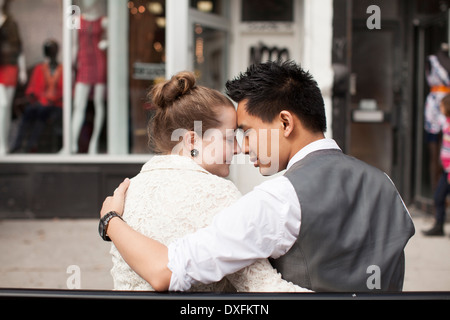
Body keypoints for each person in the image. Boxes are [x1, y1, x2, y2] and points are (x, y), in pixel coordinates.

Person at [100, 61, 415, 292]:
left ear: (285, 123)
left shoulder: (277, 198)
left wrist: (111, 220)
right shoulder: (385, 183)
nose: (243, 147)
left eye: (247, 131)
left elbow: (165, 271)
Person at [109, 71, 310, 292]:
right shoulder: (217, 192)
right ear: (193, 139)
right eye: (230, 138)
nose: (238, 148)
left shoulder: (126, 193)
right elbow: (264, 287)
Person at [11, 40, 63, 153]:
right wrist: (34, 98)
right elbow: (32, 88)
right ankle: (17, 145)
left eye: (53, 50)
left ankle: (31, 145)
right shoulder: (40, 68)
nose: (51, 53)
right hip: (40, 102)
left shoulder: (62, 69)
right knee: (29, 112)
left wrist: (52, 100)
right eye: (49, 51)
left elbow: (65, 91)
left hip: (56, 104)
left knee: (42, 113)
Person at [71, 0, 107, 154]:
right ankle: (71, 143)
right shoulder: (76, 20)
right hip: (84, 62)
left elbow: (113, 39)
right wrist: (70, 65)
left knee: (99, 103)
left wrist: (106, 43)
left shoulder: (105, 21)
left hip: (99, 62)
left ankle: (94, 143)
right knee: (79, 104)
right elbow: (74, 44)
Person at [0, 0, 27, 154]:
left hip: (10, 65)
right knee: (2, 105)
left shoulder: (11, 23)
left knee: (6, 107)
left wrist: (22, 69)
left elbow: (19, 47)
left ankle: (4, 143)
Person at [424, 43, 450, 190]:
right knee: (434, 151)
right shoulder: (432, 60)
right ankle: (436, 190)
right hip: (435, 107)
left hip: (447, 104)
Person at [423, 94, 450, 236]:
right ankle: (439, 226)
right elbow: (436, 119)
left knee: (440, 196)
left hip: (449, 171)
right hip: (446, 171)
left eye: (442, 107)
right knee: (439, 197)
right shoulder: (446, 123)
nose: (441, 109)